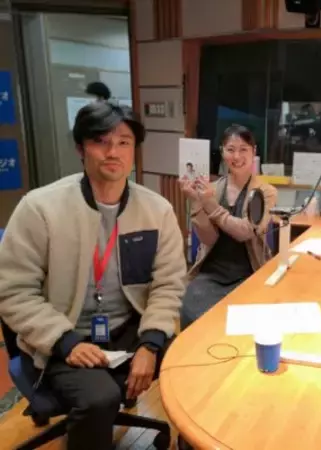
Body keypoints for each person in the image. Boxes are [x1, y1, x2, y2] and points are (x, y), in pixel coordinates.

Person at [0, 102, 187, 450]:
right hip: (64, 334)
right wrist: (65, 342)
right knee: (99, 398)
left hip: (128, 330)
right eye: (100, 141)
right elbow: (13, 292)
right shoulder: (40, 208)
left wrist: (150, 344)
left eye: (123, 142)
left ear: (134, 149)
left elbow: (168, 283)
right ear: (80, 148)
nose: (113, 152)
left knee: (192, 363)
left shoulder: (157, 210)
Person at [179, 124, 277, 330]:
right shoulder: (212, 189)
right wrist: (195, 201)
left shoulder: (266, 192)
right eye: (230, 149)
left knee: (240, 323)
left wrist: (210, 205)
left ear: (254, 152)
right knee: (192, 314)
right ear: (222, 152)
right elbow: (209, 239)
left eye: (243, 149)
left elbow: (245, 232)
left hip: (248, 273)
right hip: (212, 273)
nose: (237, 156)